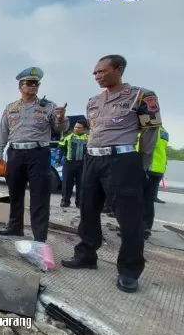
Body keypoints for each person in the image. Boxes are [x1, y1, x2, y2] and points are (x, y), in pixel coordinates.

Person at [61, 55, 162, 294]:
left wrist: (143, 163)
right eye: (95, 73)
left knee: (129, 218)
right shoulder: (93, 101)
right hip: (92, 159)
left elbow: (150, 132)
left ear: (119, 69)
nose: (97, 76)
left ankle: (129, 270)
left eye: (102, 71)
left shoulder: (141, 96)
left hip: (122, 160)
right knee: (87, 210)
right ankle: (86, 255)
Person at [0, 67, 68, 242]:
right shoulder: (10, 107)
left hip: (38, 153)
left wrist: (61, 118)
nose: (33, 86)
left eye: (36, 84)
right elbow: (2, 131)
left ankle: (39, 236)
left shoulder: (49, 106)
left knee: (39, 196)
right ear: (21, 87)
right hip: (15, 153)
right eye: (29, 83)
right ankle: (15, 226)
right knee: (15, 193)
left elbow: (60, 129)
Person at [139, 126, 169, 237]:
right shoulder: (164, 131)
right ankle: (146, 228)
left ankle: (140, 228)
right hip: (158, 168)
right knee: (148, 200)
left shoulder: (150, 129)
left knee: (140, 199)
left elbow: (148, 149)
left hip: (148, 168)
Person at [57, 120, 88, 208]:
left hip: (82, 164)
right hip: (69, 163)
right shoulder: (67, 137)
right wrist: (58, 160)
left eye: (79, 127)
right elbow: (60, 149)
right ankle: (65, 201)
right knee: (67, 183)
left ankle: (79, 202)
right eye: (75, 127)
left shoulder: (88, 138)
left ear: (84, 129)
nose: (77, 129)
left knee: (81, 184)